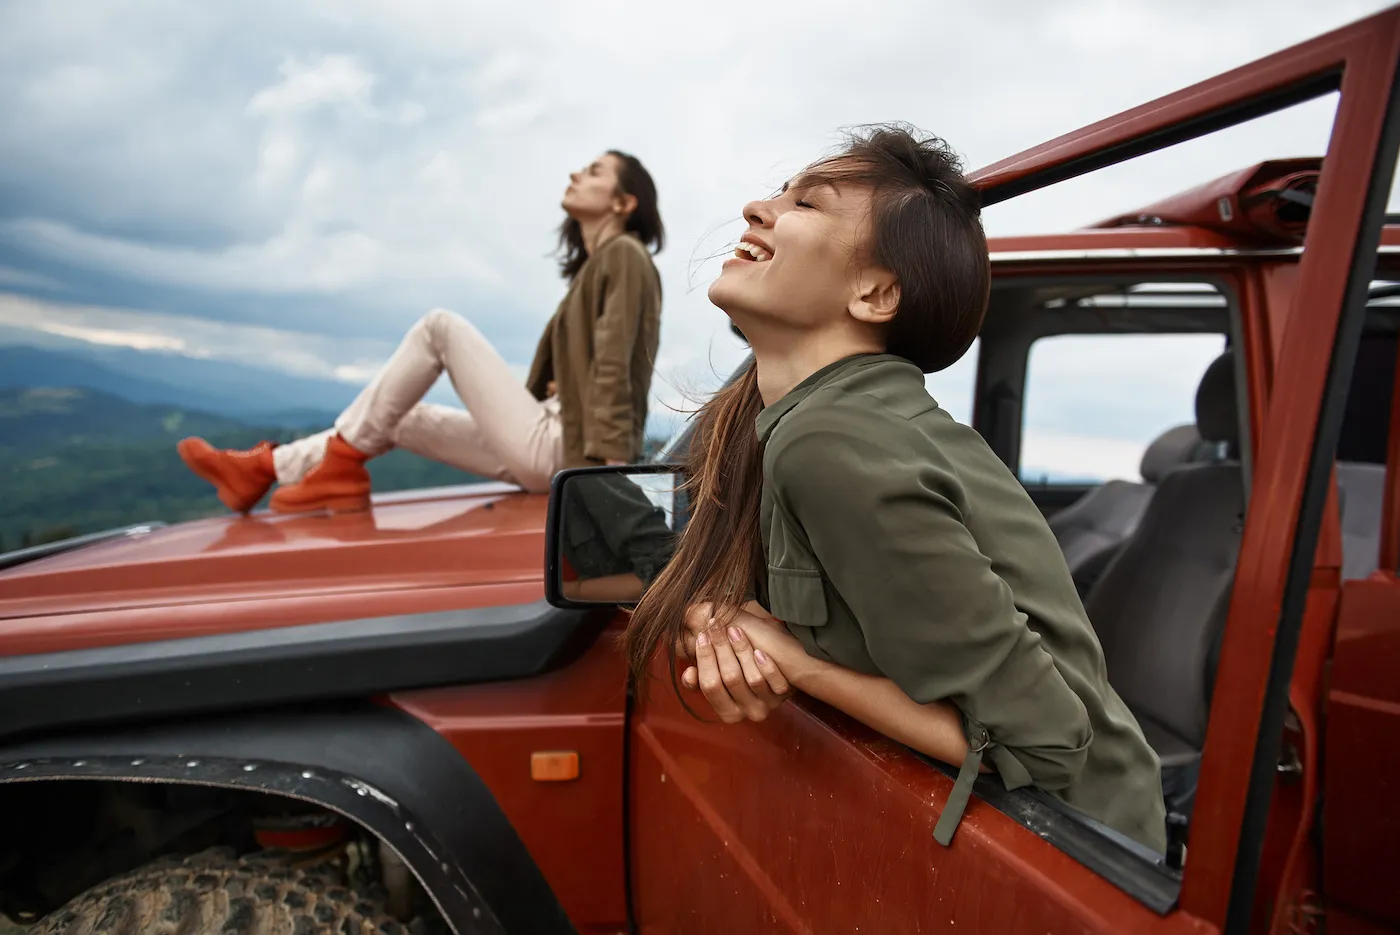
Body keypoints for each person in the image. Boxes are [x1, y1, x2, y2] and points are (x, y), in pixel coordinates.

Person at [623, 124, 1166, 852]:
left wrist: (797, 664)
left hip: (1083, 853)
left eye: (806, 204)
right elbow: (748, 590)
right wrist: (717, 620)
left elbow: (1047, 744)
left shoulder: (834, 441)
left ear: (875, 293)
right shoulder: (804, 423)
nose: (757, 208)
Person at [177, 151, 665, 514]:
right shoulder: (595, 268)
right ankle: (261, 470)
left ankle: (339, 465)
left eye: (595, 171)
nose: (576, 173)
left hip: (571, 454)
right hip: (551, 443)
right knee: (402, 417)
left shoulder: (625, 254)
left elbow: (614, 364)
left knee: (440, 327)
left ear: (624, 202)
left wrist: (608, 476)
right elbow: (590, 367)